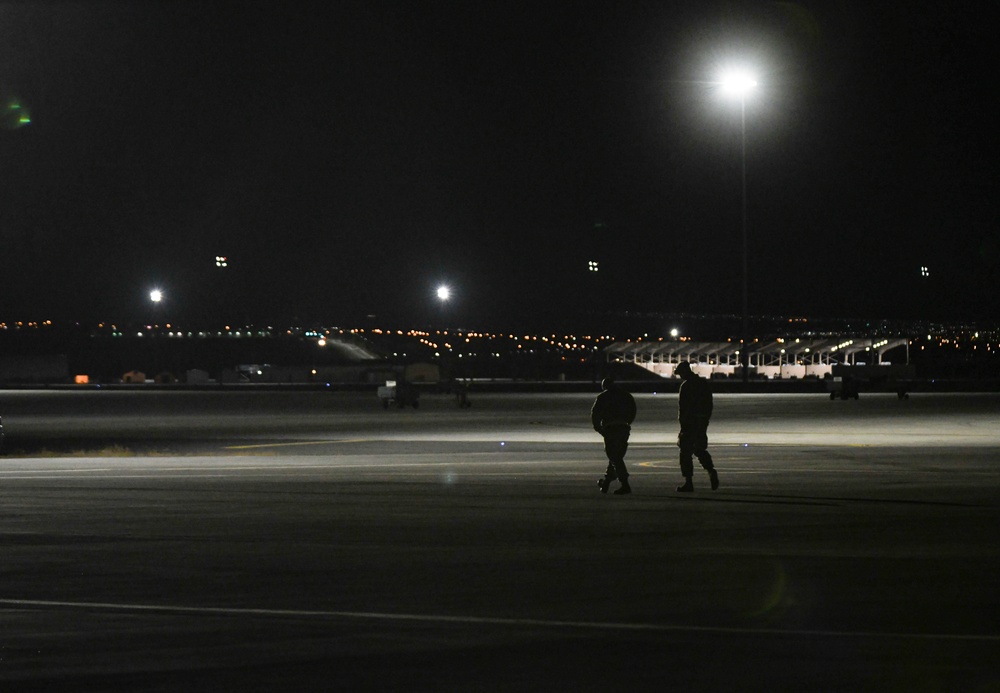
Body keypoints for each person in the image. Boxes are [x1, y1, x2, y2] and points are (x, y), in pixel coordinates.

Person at [675, 361, 719, 492]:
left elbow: (683, 408)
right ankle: (710, 470)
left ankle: (688, 482)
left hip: (689, 423)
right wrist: (705, 419)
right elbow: (709, 403)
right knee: (699, 449)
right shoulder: (703, 383)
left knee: (685, 452)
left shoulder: (686, 386)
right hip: (701, 421)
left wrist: (683, 426)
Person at [591, 376, 637, 495]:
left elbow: (595, 414)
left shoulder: (603, 397)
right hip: (623, 428)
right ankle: (606, 482)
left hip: (611, 429)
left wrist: (599, 429)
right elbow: (633, 411)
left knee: (615, 457)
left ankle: (624, 484)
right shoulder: (626, 396)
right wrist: (627, 423)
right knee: (616, 456)